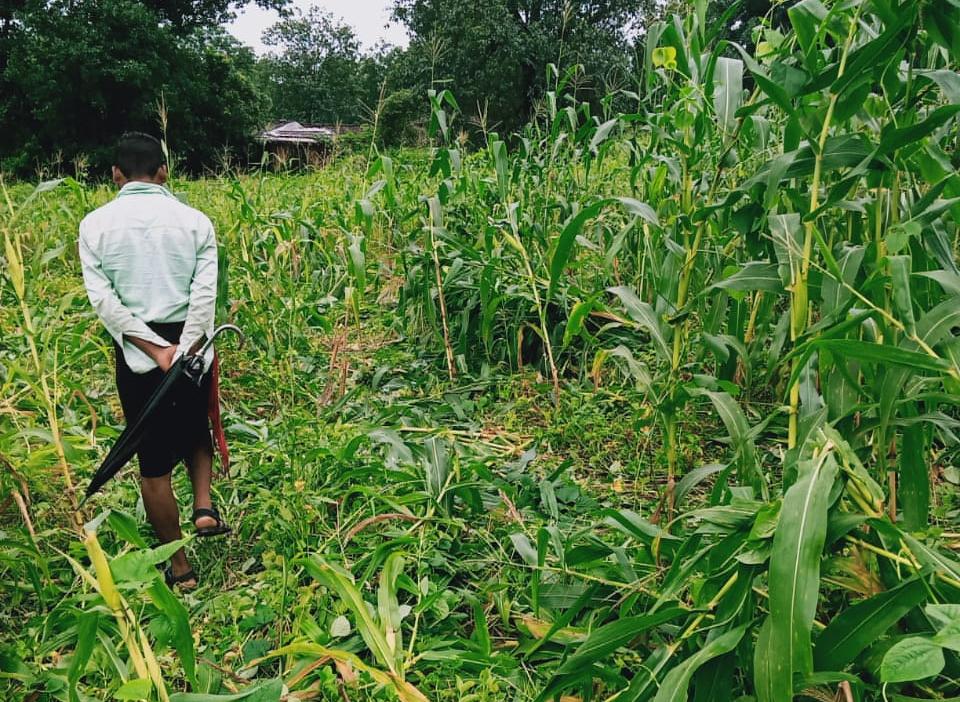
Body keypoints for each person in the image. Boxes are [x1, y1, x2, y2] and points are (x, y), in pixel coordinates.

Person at [79, 132, 230, 590]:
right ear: (164, 172)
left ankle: (180, 568)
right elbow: (204, 295)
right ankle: (203, 505)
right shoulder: (195, 221)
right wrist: (184, 349)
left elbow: (103, 301)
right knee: (197, 426)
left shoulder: (95, 225)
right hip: (191, 342)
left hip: (139, 352)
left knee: (153, 461)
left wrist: (154, 350)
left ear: (116, 175)